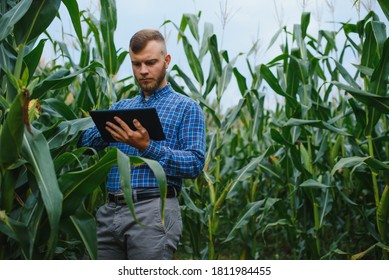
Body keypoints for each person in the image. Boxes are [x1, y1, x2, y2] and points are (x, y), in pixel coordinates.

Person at [79, 29, 206, 259]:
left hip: (154, 212)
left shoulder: (187, 108)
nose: (143, 71)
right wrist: (109, 133)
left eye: (150, 62)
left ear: (166, 61)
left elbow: (195, 163)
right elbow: (82, 143)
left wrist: (147, 146)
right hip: (109, 212)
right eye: (136, 64)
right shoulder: (120, 108)